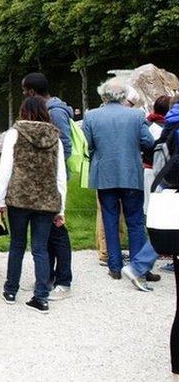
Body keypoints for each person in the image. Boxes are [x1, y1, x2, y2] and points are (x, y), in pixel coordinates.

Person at [0, 96, 67, 314]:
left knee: (17, 244)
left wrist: (1, 199)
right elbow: (60, 175)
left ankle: (11, 289)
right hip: (46, 199)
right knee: (40, 249)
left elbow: (6, 168)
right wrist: (61, 207)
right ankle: (41, 295)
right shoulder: (55, 135)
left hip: (19, 197)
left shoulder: (14, 134)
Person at [83, 77, 156, 281]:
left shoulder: (91, 116)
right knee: (135, 221)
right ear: (124, 95)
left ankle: (114, 266)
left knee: (110, 219)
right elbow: (148, 142)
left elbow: (87, 145)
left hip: (104, 174)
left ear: (103, 95)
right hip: (131, 173)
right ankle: (139, 267)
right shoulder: (136, 115)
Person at [22, 72, 74, 299]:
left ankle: (64, 280)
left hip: (53, 180)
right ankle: (48, 276)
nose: (23, 95)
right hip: (43, 182)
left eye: (24, 91)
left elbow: (65, 146)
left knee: (57, 230)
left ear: (32, 92)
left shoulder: (55, 112)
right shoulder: (48, 111)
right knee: (47, 233)